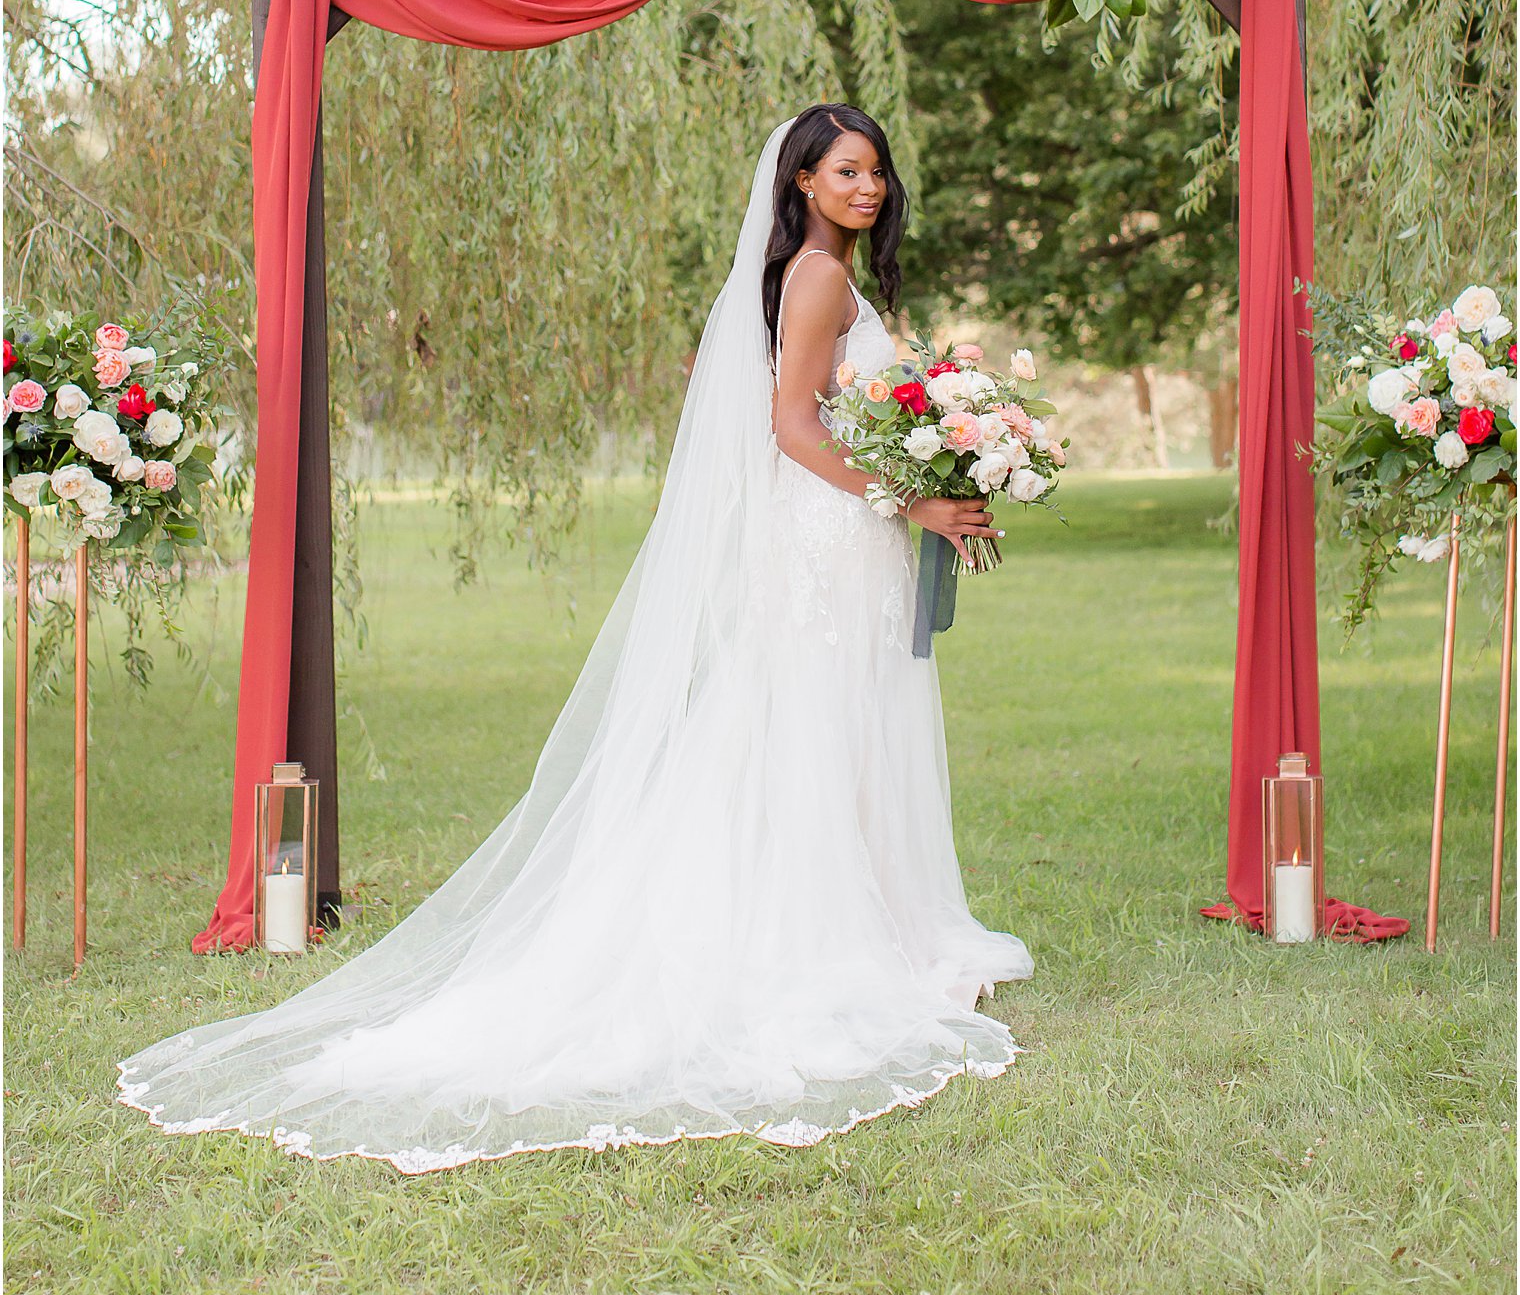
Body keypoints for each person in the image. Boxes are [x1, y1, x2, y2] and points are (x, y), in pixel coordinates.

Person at [118, 107, 1030, 1172]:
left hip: (838, 531)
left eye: (875, 171)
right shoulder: (818, 280)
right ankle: (826, 939)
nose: (867, 187)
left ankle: (872, 921)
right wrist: (914, 502)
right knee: (820, 726)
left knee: (819, 726)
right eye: (845, 171)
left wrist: (942, 462)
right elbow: (790, 427)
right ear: (799, 185)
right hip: (830, 539)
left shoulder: (823, 277)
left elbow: (837, 411)